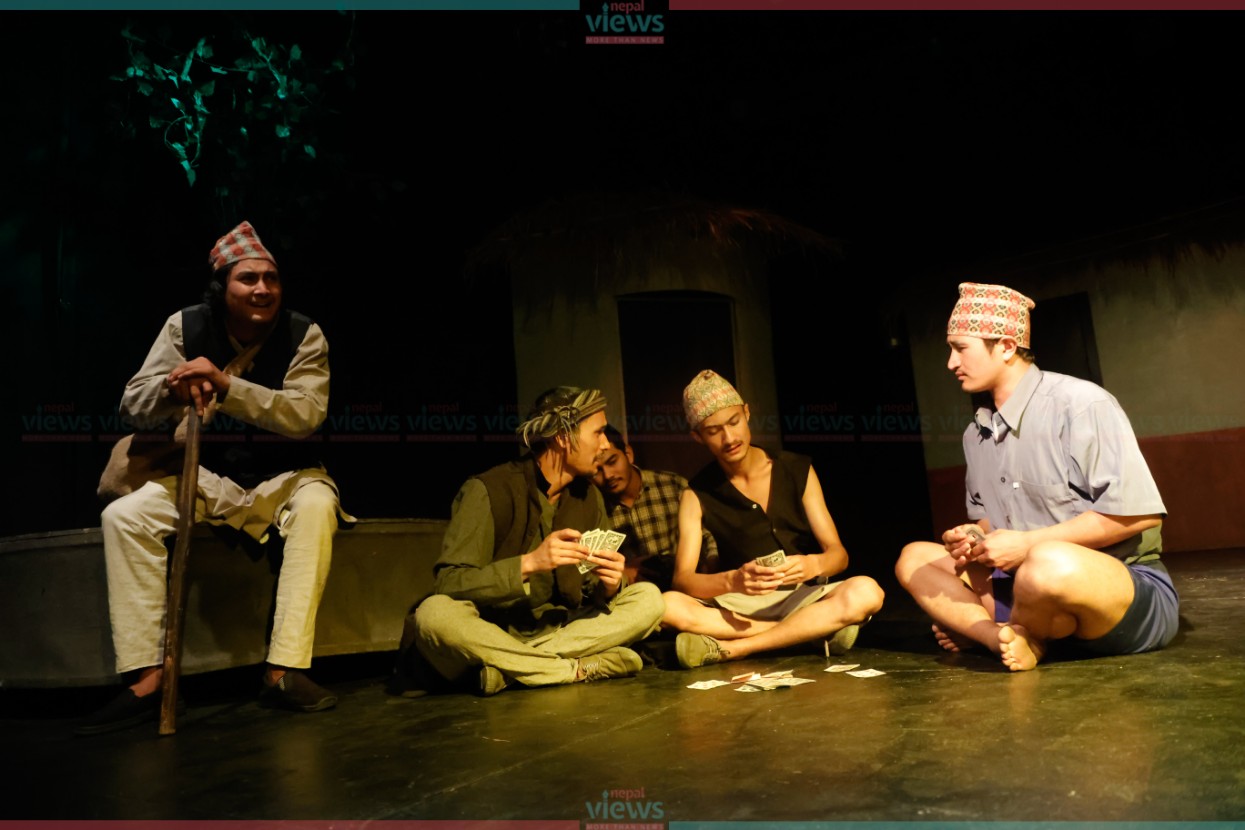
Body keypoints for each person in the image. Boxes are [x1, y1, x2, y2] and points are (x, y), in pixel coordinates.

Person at [80, 221, 348, 735]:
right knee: (125, 516)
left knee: (318, 507)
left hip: (284, 478)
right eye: (248, 279)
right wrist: (173, 390)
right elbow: (132, 405)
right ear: (223, 287)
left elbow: (305, 414)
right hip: (204, 475)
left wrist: (226, 386)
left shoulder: (303, 334)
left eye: (271, 278)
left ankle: (284, 670)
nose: (263, 288)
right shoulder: (185, 327)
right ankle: (149, 679)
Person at [894, 282, 1178, 671]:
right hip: (1021, 588)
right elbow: (992, 524)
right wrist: (972, 538)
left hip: (1112, 589)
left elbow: (1139, 515)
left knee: (1047, 561)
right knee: (914, 558)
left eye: (960, 348)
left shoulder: (1081, 405)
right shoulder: (976, 433)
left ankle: (1003, 628)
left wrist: (1027, 545)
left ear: (1006, 346)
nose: (950, 363)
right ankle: (999, 638)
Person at [405, 387, 665, 696]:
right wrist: (529, 564)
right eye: (598, 433)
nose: (606, 443)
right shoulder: (488, 490)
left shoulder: (588, 498)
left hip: (556, 631)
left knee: (648, 599)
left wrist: (609, 586)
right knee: (434, 613)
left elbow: (587, 590)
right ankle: (571, 670)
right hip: (489, 632)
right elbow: (449, 582)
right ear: (563, 437)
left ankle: (509, 672)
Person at [660, 370, 885, 670]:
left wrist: (813, 564)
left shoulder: (795, 469)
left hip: (802, 596)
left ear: (746, 413)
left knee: (867, 592)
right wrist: (733, 580)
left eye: (734, 422)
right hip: (740, 606)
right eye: (713, 431)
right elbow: (682, 580)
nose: (729, 438)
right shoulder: (696, 493)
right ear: (698, 437)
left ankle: (737, 648)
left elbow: (838, 555)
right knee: (666, 606)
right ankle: (810, 632)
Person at [591, 424, 718, 591]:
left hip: (683, 588)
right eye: (597, 471)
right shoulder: (594, 509)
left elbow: (708, 536)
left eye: (612, 462)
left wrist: (708, 570)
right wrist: (621, 572)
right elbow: (589, 569)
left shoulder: (672, 485)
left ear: (628, 454)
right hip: (632, 595)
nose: (608, 475)